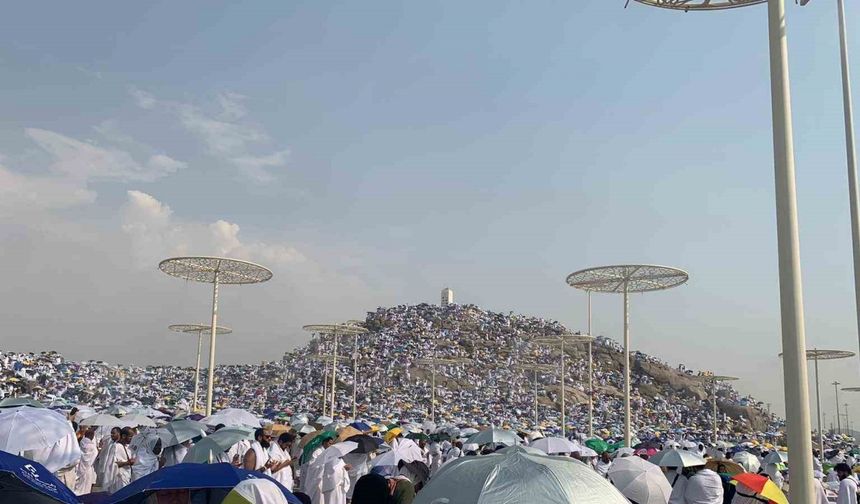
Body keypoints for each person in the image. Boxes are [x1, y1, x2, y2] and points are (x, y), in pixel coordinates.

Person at [108, 427, 136, 493]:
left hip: (128, 476)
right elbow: (113, 464)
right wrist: (127, 463)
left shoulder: (129, 447)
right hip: (119, 478)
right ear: (123, 436)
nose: (132, 439)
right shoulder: (116, 447)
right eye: (130, 436)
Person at [74, 429, 98, 495]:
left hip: (80, 466)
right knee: (86, 487)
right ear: (93, 436)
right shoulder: (92, 446)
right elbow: (95, 455)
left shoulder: (81, 442)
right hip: (88, 469)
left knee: (78, 486)